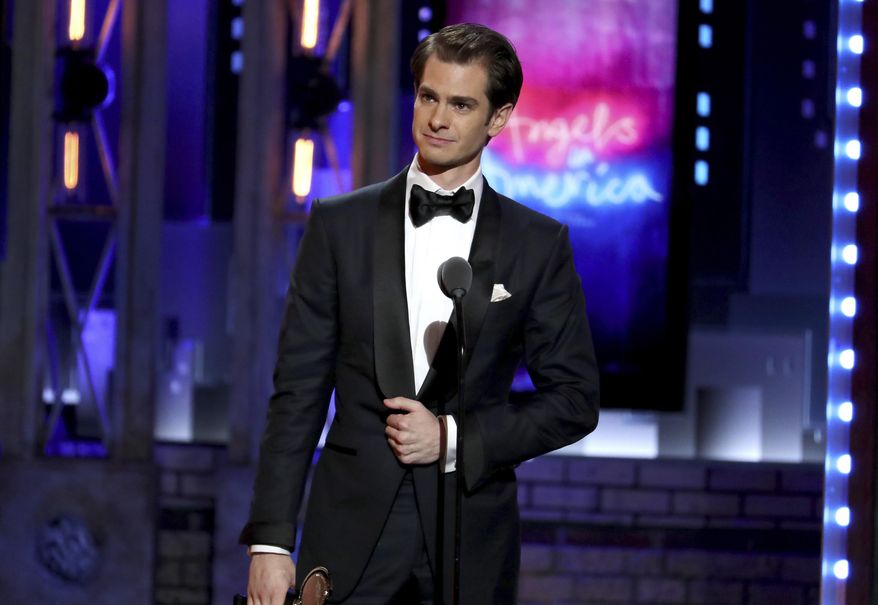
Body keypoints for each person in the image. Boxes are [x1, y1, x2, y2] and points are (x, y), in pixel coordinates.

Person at [240, 22, 599, 605]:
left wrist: (453, 438)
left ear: (498, 118)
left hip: (469, 541)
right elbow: (298, 392)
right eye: (429, 97)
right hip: (350, 533)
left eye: (461, 104)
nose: (438, 118)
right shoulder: (340, 225)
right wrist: (271, 543)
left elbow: (575, 402)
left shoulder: (536, 244)